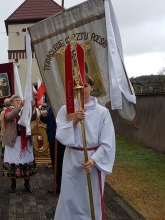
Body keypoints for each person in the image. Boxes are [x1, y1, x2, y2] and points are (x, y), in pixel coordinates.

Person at [54, 75, 115, 220]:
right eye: (78, 87)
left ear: (92, 87)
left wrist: (93, 160)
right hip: (72, 159)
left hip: (92, 162)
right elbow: (60, 135)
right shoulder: (66, 109)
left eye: (85, 86)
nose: (82, 90)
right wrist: (74, 121)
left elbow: (107, 142)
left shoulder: (102, 112)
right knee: (69, 197)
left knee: (90, 198)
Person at [0, 95, 37, 193]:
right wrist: (19, 107)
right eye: (16, 100)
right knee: (13, 161)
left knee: (26, 160)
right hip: (13, 141)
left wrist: (33, 107)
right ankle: (13, 184)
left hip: (25, 139)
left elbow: (33, 118)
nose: (18, 101)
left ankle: (27, 184)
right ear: (11, 103)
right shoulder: (8, 111)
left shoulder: (25, 110)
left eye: (20, 100)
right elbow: (9, 117)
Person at [40, 103, 66, 194]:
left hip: (63, 141)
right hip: (52, 139)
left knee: (65, 164)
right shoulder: (51, 106)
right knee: (56, 164)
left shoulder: (64, 105)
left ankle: (66, 186)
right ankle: (58, 185)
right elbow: (46, 120)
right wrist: (43, 115)